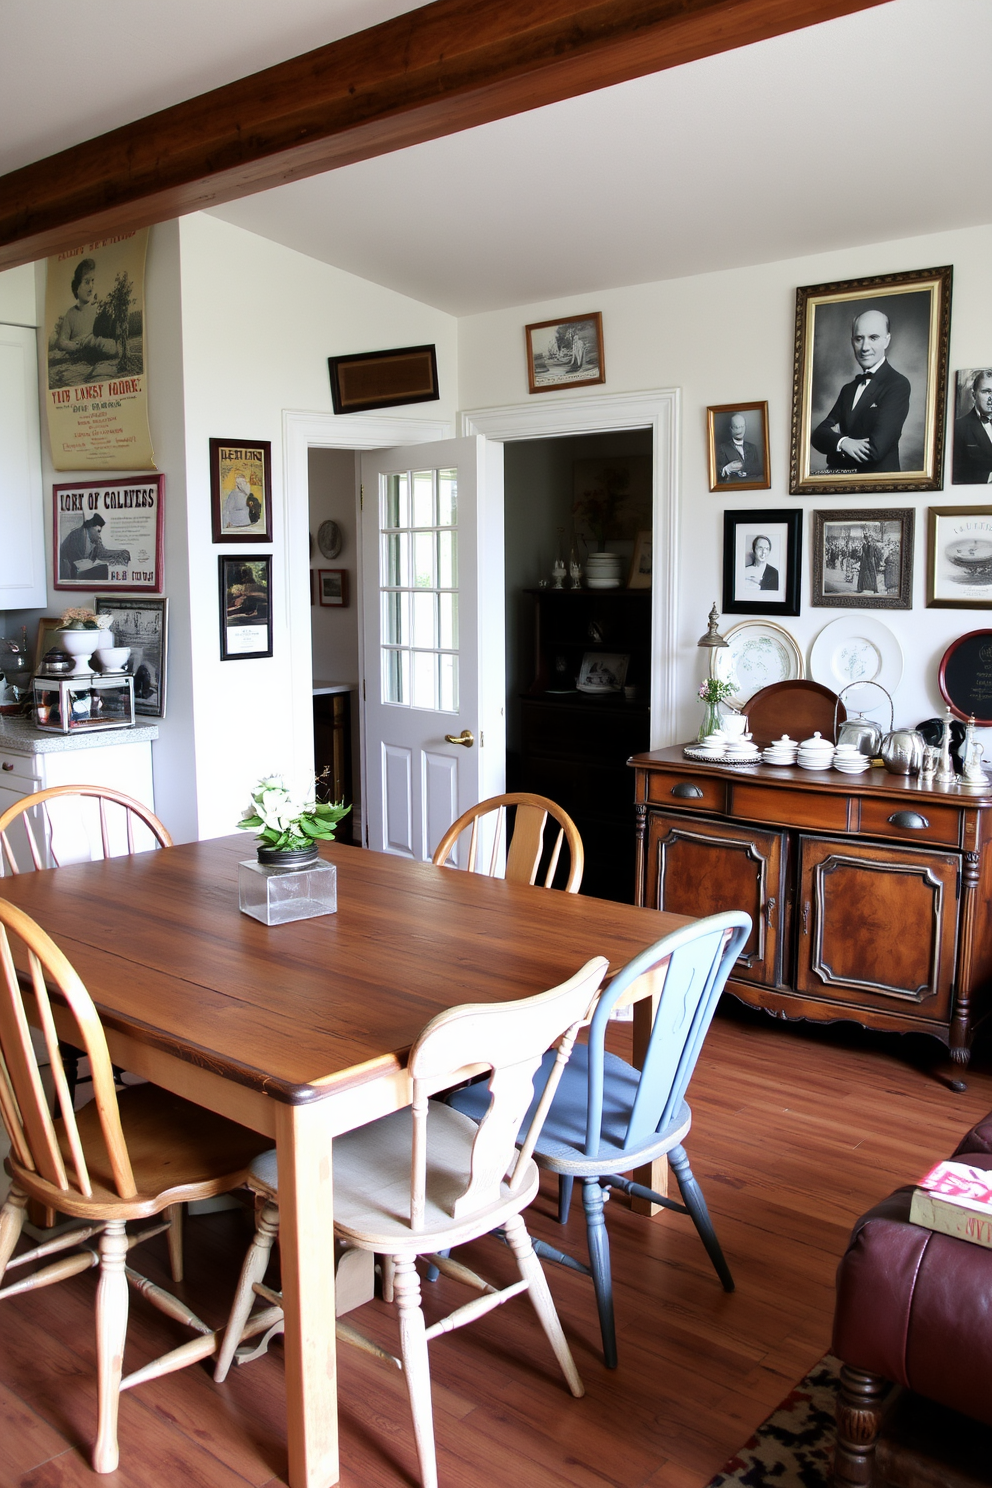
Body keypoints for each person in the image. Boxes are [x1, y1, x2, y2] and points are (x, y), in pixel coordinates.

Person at [811, 308, 911, 473]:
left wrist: (834, 445)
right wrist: (844, 442)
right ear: (852, 342)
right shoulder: (848, 389)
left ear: (887, 341)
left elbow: (875, 451)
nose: (865, 347)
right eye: (859, 339)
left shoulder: (898, 384)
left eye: (873, 338)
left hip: (878, 489)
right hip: (841, 488)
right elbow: (817, 435)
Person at [56, 258, 117, 368]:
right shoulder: (71, 314)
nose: (91, 287)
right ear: (77, 287)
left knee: (109, 346)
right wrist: (78, 345)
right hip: (80, 352)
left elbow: (105, 334)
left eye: (92, 281)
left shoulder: (98, 309)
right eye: (87, 282)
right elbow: (61, 342)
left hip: (97, 348)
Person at [58, 513, 130, 581]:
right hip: (69, 573)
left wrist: (120, 552)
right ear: (90, 527)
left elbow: (102, 553)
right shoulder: (76, 536)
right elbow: (73, 561)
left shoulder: (95, 539)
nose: (99, 535)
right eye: (98, 531)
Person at [952, 370, 992, 483]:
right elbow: (954, 475)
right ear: (974, 395)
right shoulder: (958, 427)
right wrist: (988, 478)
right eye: (986, 392)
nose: (991, 397)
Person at [716, 413, 762, 482]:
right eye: (736, 427)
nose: (739, 430)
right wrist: (727, 468)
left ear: (745, 427)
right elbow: (716, 476)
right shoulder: (723, 448)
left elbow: (759, 472)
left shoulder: (753, 448)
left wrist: (747, 473)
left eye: (741, 426)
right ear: (731, 428)